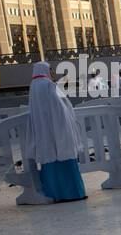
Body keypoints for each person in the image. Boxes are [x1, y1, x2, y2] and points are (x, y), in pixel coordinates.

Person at [25, 60, 86, 202]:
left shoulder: (34, 86)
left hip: (43, 132)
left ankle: (54, 194)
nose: (52, 73)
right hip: (58, 129)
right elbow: (61, 108)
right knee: (65, 159)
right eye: (50, 70)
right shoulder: (49, 85)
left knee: (50, 162)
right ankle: (73, 193)